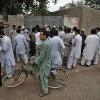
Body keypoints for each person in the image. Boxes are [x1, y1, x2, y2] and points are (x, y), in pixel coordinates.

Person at [33, 30, 52, 97]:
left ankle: (45, 91)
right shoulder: (49, 41)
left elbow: (41, 57)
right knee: (44, 77)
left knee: (43, 78)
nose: (39, 36)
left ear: (45, 35)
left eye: (41, 35)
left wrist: (35, 62)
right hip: (48, 60)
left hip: (45, 63)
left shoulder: (45, 44)